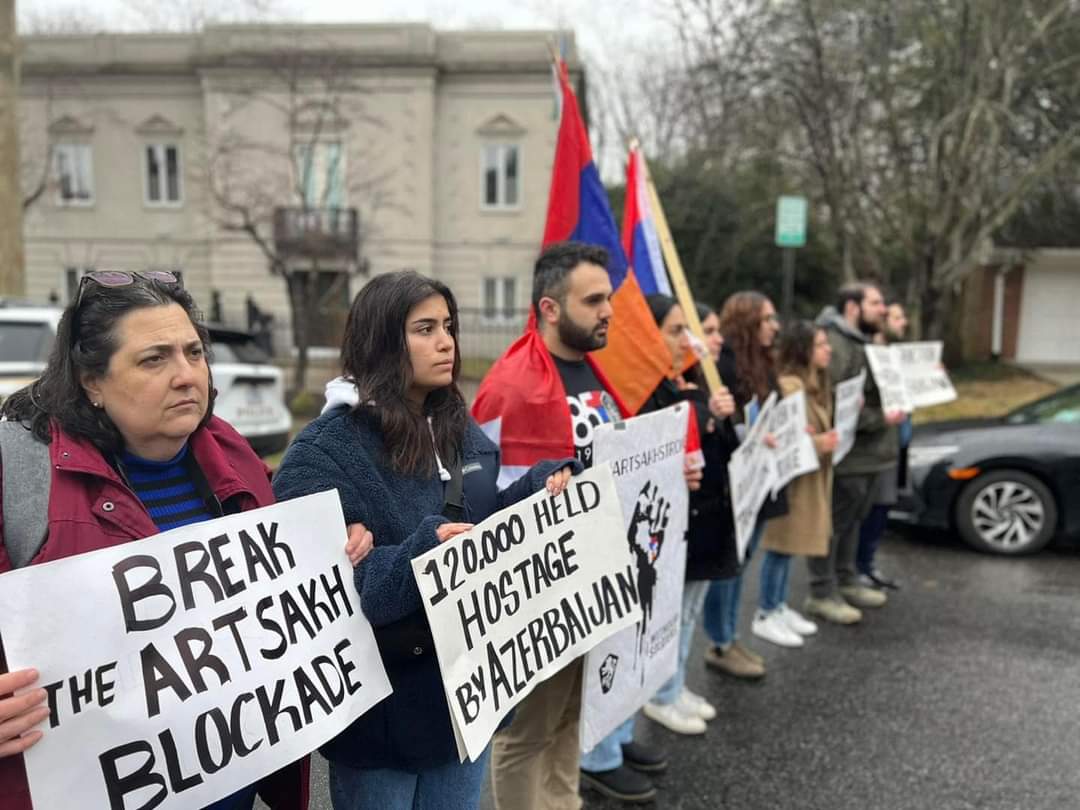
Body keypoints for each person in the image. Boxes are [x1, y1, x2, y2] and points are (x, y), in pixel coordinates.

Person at [0, 270, 308, 810]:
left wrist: (332, 553)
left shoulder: (231, 452)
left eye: (194, 353)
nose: (187, 376)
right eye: (154, 359)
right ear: (91, 383)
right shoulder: (17, 471)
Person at [272, 270, 577, 810]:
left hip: (468, 697)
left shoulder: (460, 428)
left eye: (449, 326)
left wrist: (538, 490)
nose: (446, 342)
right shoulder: (323, 452)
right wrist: (424, 551)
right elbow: (320, 593)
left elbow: (483, 527)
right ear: (382, 340)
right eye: (425, 329)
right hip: (382, 716)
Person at [477, 242, 687, 808]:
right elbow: (483, 498)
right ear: (549, 308)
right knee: (527, 732)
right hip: (544, 594)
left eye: (607, 299)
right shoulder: (510, 386)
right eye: (593, 300)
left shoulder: (598, 370)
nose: (608, 312)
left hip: (599, 582)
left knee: (574, 715)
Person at [640, 297, 737, 734]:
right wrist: (705, 411)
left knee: (688, 613)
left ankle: (675, 685)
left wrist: (718, 417)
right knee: (671, 616)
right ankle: (663, 694)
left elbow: (723, 450)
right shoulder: (656, 391)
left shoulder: (692, 384)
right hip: (683, 522)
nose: (692, 340)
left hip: (706, 516)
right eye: (678, 330)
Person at [701, 291, 788, 680]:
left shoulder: (764, 361)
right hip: (734, 483)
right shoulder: (724, 365)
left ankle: (731, 635)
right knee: (729, 566)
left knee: (743, 562)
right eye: (766, 319)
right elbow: (724, 425)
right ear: (747, 323)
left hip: (760, 479)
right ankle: (720, 641)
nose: (774, 327)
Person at [808, 283, 907, 624]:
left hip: (869, 454)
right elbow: (836, 403)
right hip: (850, 456)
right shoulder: (838, 345)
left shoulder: (861, 342)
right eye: (876, 303)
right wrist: (880, 418)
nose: (883, 309)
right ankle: (821, 592)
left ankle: (846, 579)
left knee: (852, 522)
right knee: (835, 524)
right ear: (853, 307)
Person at [753, 322, 838, 647]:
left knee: (789, 550)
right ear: (803, 350)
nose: (828, 350)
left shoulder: (813, 383)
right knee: (780, 547)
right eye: (820, 344)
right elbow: (784, 436)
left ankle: (778, 605)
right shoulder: (791, 385)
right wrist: (818, 443)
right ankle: (766, 612)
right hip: (792, 481)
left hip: (807, 478)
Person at [856, 300, 910, 590]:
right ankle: (859, 567)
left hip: (895, 443)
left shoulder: (896, 355)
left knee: (883, 507)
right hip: (875, 445)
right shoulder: (867, 355)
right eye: (898, 318)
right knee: (871, 510)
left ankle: (868, 564)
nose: (904, 323)